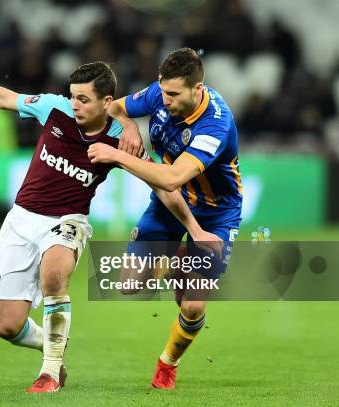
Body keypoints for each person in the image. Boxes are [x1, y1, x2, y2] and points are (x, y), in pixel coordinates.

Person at [0, 55, 219, 393]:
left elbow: (165, 188)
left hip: (68, 221)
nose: (74, 105)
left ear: (106, 102)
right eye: (72, 96)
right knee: (7, 326)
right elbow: (5, 97)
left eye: (83, 99)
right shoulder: (54, 108)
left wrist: (195, 230)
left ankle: (49, 373)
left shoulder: (121, 142)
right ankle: (53, 344)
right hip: (21, 219)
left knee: (55, 273)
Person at [87, 47, 242, 389]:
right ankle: (178, 261)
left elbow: (173, 177)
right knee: (128, 285)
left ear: (197, 90)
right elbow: (113, 107)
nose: (165, 99)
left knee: (193, 307)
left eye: (174, 94)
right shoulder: (160, 92)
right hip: (169, 201)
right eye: (163, 90)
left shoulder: (215, 123)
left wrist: (116, 154)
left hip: (217, 212)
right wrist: (127, 126)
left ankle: (167, 366)